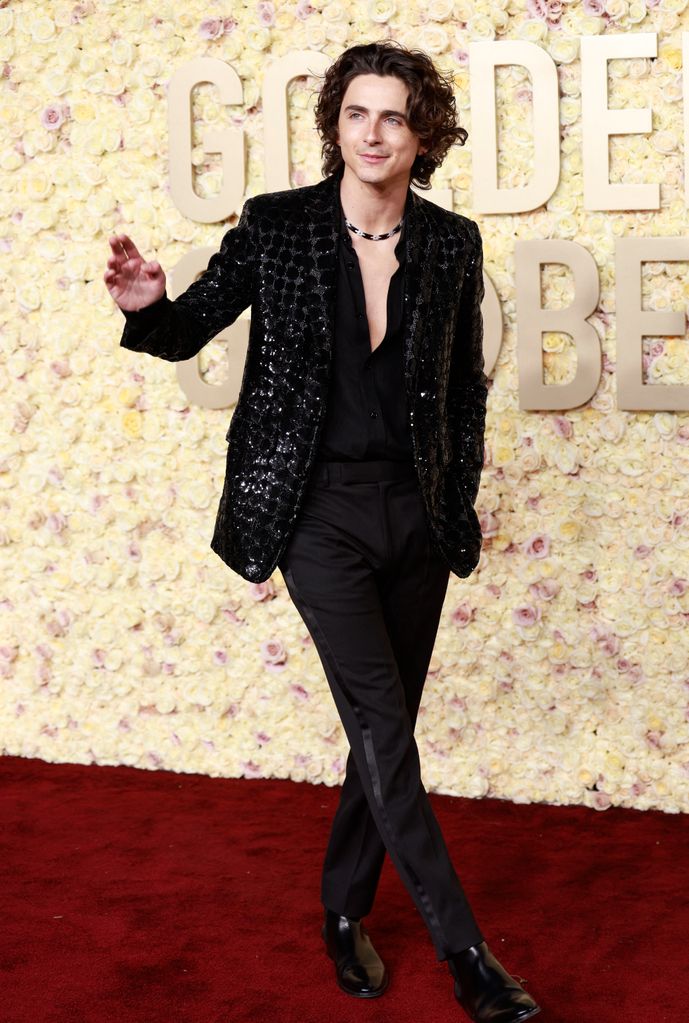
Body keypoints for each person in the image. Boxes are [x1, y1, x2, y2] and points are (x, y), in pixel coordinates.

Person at [104, 40, 541, 1023]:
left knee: (377, 735)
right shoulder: (279, 228)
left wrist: (455, 505)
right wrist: (147, 307)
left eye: (393, 115)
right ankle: (468, 955)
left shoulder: (450, 242)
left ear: (419, 132)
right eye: (356, 113)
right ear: (334, 126)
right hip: (315, 516)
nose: (373, 131)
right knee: (383, 728)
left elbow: (459, 401)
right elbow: (188, 327)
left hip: (415, 519)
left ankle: (342, 912)